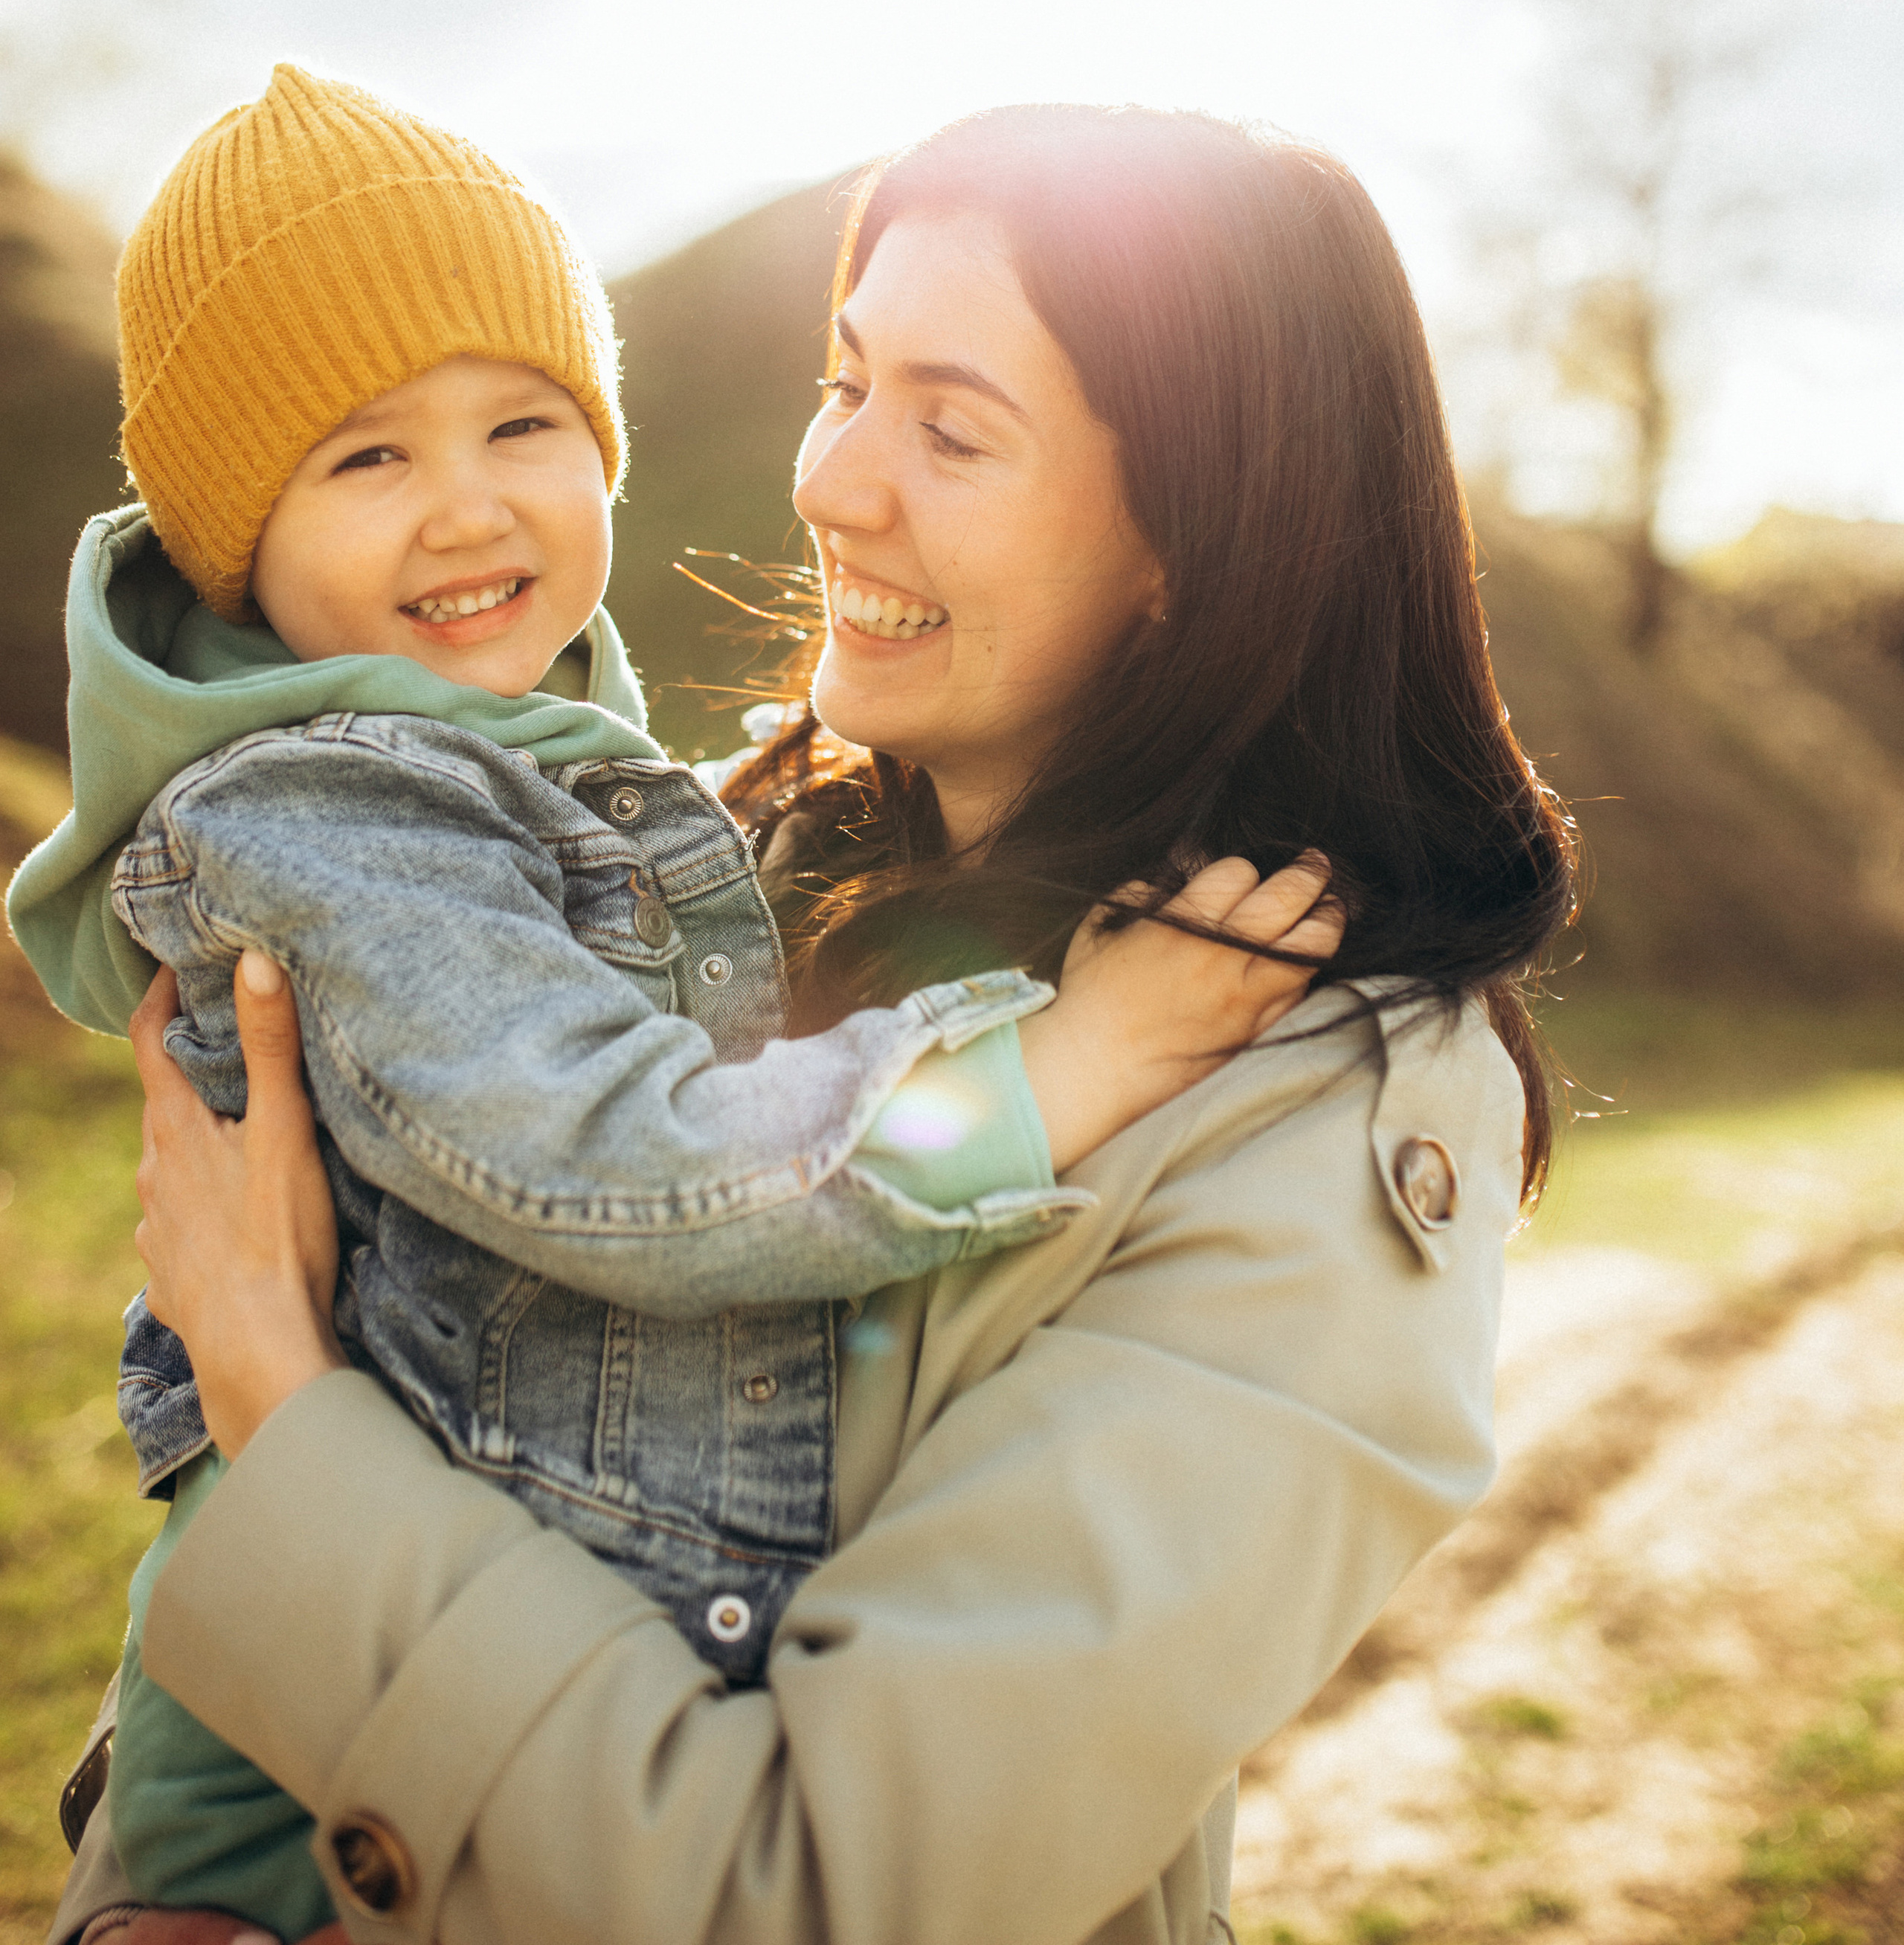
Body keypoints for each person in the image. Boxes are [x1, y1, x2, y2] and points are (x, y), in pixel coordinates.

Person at [54, 102, 1575, 1945]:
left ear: (1198, 536)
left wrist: (282, 1414)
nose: (833, 484)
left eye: (950, 428)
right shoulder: (668, 876)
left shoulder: (1308, 1107)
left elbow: (819, 1893)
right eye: (842, 384)